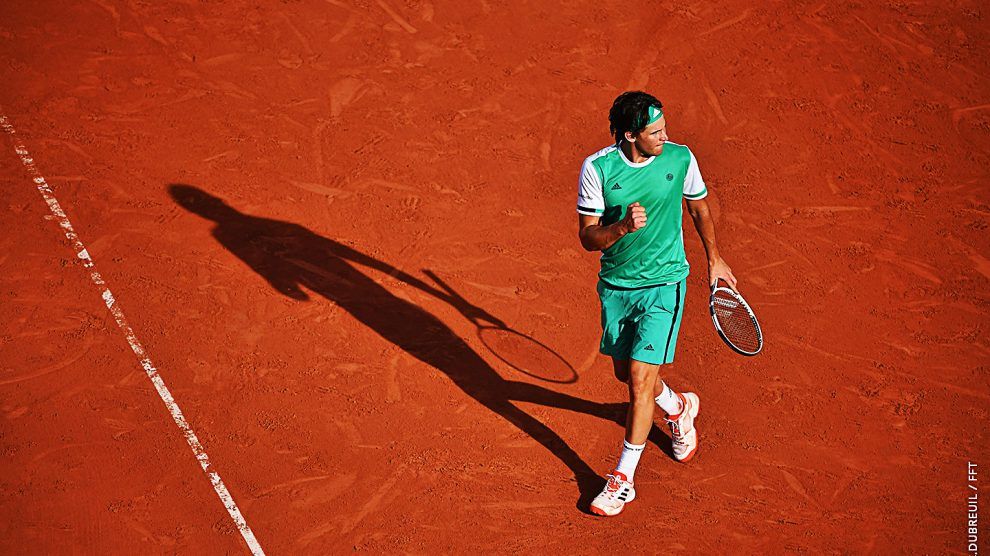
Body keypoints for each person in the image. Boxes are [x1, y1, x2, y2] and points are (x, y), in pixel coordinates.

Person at [576, 91, 737, 516]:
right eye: (654, 132)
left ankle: (622, 479)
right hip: (617, 286)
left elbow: (699, 209)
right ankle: (678, 407)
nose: (665, 136)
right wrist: (622, 228)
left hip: (665, 282)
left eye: (663, 127)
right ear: (630, 135)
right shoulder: (598, 169)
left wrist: (715, 259)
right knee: (623, 373)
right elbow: (588, 236)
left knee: (639, 379)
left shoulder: (680, 159)